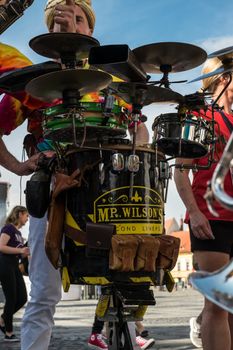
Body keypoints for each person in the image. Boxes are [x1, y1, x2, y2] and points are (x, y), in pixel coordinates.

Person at [0, 1, 149, 349]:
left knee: (122, 288)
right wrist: (18, 166)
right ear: (49, 31)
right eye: (62, 20)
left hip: (109, 192)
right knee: (44, 293)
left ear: (90, 31)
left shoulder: (110, 81)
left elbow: (138, 129)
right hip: (52, 191)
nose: (71, 24)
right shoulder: (32, 83)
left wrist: (138, 152)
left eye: (79, 19)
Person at [174, 56, 233, 350]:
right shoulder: (199, 116)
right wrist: (194, 214)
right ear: (223, 78)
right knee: (219, 304)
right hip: (211, 219)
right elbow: (180, 170)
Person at [0, 205, 30, 342]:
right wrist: (20, 251)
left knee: (22, 297)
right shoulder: (8, 228)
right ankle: (9, 333)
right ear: (19, 214)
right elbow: (1, 247)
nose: (27, 219)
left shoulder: (18, 233)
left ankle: (2, 320)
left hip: (14, 266)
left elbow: (19, 251)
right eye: (26, 215)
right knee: (11, 298)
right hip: (5, 265)